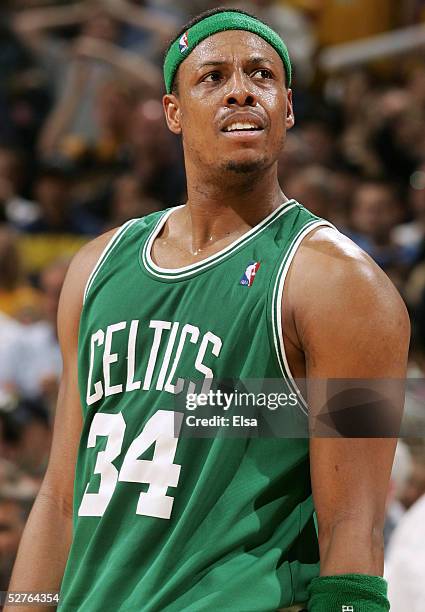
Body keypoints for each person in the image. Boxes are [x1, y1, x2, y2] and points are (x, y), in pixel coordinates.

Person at [7, 8, 409, 612]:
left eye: (261, 75)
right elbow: (60, 496)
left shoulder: (344, 285)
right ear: (173, 112)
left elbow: (355, 533)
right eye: (213, 77)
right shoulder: (95, 269)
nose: (241, 90)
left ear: (289, 108)